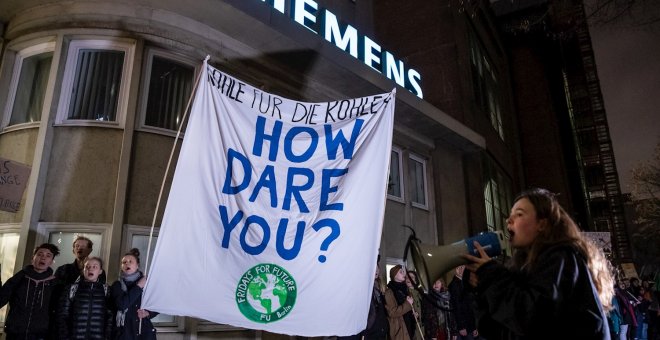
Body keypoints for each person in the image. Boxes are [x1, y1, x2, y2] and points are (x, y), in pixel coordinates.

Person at [464, 188, 614, 340]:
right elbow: (500, 331)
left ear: (542, 224)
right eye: (510, 215)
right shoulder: (523, 270)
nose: (508, 220)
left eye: (519, 214)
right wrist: (481, 291)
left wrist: (491, 275)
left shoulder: (562, 257)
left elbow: (531, 318)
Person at [0, 243, 60, 340]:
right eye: (40, 254)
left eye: (48, 256)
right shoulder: (18, 278)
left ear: (52, 262)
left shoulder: (55, 284)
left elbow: (58, 312)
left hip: (40, 335)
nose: (43, 258)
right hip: (15, 333)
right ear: (33, 258)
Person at [57, 256, 112, 339]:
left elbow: (110, 317)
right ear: (83, 270)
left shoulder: (106, 290)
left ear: (100, 271)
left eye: (95, 267)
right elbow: (62, 315)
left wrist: (107, 337)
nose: (90, 269)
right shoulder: (72, 288)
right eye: (87, 266)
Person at [110, 248, 157, 339]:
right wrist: (139, 286)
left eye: (130, 261)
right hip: (125, 333)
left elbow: (158, 304)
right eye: (124, 262)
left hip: (144, 332)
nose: (127, 263)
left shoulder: (147, 283)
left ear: (137, 265)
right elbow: (122, 305)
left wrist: (148, 313)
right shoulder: (117, 285)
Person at [448, 265, 479, 340]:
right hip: (464, 326)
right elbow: (456, 307)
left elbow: (471, 305)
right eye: (459, 267)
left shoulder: (465, 282)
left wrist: (474, 326)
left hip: (471, 323)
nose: (461, 270)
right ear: (455, 270)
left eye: (463, 267)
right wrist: (461, 326)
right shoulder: (454, 285)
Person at [385, 264, 415, 340]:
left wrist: (414, 313)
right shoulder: (389, 292)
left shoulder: (406, 289)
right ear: (394, 275)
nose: (404, 274)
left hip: (409, 328)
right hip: (399, 331)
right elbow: (392, 312)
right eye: (401, 272)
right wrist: (408, 304)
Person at [406, 270, 424, 340]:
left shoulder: (420, 293)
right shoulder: (404, 293)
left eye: (412, 277)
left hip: (421, 327)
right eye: (407, 277)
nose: (409, 279)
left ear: (416, 281)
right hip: (412, 329)